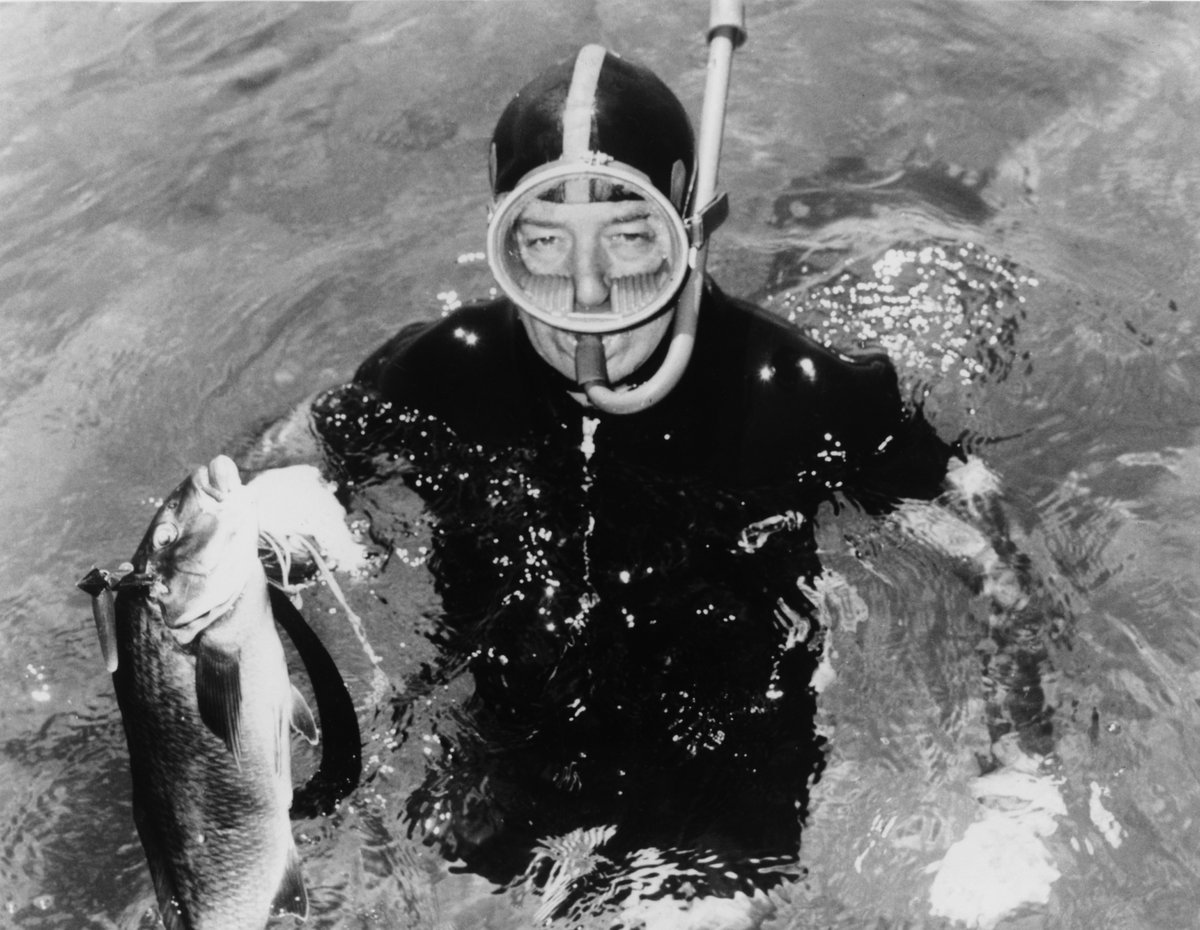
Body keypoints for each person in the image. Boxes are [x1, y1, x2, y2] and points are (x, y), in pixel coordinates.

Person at [242, 45, 1051, 922]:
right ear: (499, 240)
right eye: (544, 243)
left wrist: (1019, 784)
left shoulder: (796, 396)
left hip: (729, 783)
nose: (586, 294)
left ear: (687, 227)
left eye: (629, 238)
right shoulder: (444, 372)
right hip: (495, 758)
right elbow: (285, 451)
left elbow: (993, 546)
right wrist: (275, 493)